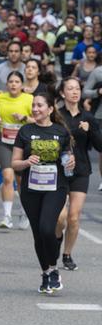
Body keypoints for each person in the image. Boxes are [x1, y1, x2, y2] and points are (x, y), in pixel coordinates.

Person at [12, 91, 75, 294]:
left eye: (40, 105)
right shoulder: (25, 131)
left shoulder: (61, 132)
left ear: (50, 109)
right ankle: (47, 272)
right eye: (34, 105)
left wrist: (70, 162)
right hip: (31, 189)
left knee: (48, 228)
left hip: (55, 188)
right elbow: (15, 163)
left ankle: (54, 266)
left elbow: (67, 161)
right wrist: (26, 162)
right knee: (38, 233)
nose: (36, 109)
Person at [55, 78, 102, 270]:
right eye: (70, 89)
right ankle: (56, 241)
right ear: (62, 93)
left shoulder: (88, 117)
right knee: (60, 217)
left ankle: (67, 254)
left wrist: (90, 131)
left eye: (77, 89)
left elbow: (99, 146)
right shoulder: (56, 116)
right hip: (58, 170)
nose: (74, 92)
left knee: (74, 216)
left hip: (81, 170)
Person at [0, 71, 32, 230]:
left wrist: (24, 118)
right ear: (7, 84)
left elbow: (38, 119)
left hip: (23, 144)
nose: (14, 84)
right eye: (11, 81)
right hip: (5, 142)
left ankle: (24, 211)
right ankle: (7, 216)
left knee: (22, 181)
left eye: (17, 81)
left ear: (22, 84)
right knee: (8, 177)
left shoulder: (29, 99)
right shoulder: (0, 98)